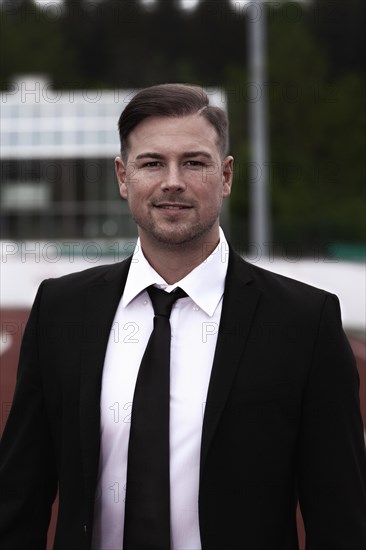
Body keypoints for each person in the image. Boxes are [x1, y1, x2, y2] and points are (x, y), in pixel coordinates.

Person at [0, 83, 365, 550]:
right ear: (122, 176)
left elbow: (341, 518)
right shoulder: (61, 310)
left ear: (227, 176)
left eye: (194, 162)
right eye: (152, 163)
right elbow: (19, 499)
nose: (173, 180)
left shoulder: (304, 321)